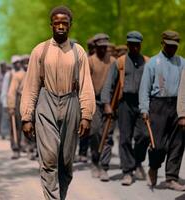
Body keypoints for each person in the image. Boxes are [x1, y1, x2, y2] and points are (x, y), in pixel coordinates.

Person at [20, 6, 95, 200]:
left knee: (66, 161)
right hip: (46, 102)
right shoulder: (40, 51)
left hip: (71, 102)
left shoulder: (78, 52)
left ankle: (61, 196)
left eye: (65, 23)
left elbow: (86, 85)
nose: (61, 26)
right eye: (57, 23)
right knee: (49, 157)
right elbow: (31, 86)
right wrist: (27, 117)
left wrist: (86, 115)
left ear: (70, 25)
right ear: (51, 25)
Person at [101, 31, 150, 185]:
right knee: (125, 138)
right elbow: (109, 84)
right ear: (128, 45)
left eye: (137, 45)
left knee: (144, 136)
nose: (134, 47)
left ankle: (137, 162)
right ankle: (127, 172)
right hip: (125, 103)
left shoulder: (147, 62)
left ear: (140, 45)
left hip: (142, 103)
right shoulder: (120, 62)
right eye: (131, 44)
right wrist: (107, 104)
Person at [139, 30, 185, 191]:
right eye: (169, 45)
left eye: (175, 46)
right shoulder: (153, 63)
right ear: (162, 44)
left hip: (177, 105)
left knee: (177, 144)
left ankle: (171, 177)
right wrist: (144, 108)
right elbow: (144, 88)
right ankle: (153, 167)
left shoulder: (182, 62)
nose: (172, 49)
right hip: (157, 106)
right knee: (157, 145)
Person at [88, 33, 116, 181]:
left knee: (108, 135)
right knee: (95, 133)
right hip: (93, 101)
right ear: (95, 47)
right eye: (100, 47)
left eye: (105, 47)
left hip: (110, 102)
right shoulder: (90, 61)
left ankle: (104, 167)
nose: (103, 49)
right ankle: (94, 161)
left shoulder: (113, 62)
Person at [7, 56, 25, 159]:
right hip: (19, 100)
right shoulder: (16, 75)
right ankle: (16, 148)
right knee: (17, 126)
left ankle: (31, 148)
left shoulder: (33, 74)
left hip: (31, 100)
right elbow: (11, 92)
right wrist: (11, 106)